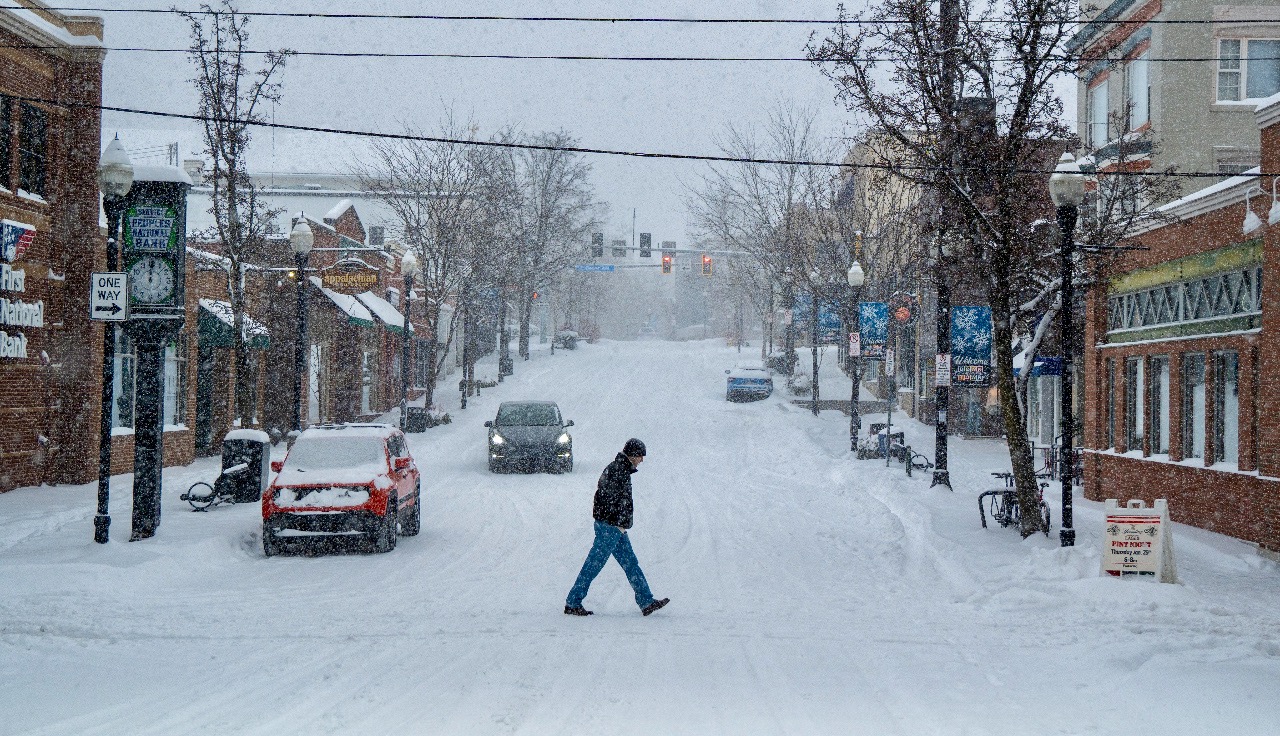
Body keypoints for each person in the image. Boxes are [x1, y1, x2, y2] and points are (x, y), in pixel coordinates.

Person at [564, 438, 669, 617]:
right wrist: (616, 521)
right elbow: (606, 498)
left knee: (631, 564)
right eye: (640, 456)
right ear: (632, 455)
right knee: (593, 565)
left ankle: (646, 601)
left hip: (615, 527)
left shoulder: (620, 469)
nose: (642, 460)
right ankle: (573, 602)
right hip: (610, 528)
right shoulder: (618, 470)